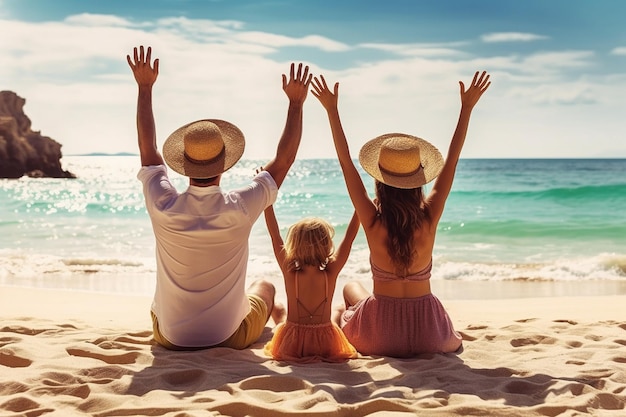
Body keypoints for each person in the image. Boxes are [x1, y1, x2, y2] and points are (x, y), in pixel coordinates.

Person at [127, 45, 312, 350]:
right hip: (228, 337)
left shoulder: (162, 203)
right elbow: (284, 160)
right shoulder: (240, 206)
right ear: (223, 164)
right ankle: (277, 318)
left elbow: (147, 148)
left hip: (169, 339)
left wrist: (144, 87)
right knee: (264, 286)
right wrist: (295, 104)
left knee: (158, 303)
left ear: (183, 164)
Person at [311, 71, 491, 357]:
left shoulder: (372, 221)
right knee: (357, 295)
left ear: (379, 181)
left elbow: (346, 163)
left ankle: (337, 327)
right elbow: (452, 160)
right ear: (418, 180)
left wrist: (332, 111)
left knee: (349, 291)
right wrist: (466, 108)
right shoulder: (429, 218)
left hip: (379, 335)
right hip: (429, 333)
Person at [262, 205, 359, 362]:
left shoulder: (290, 272)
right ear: (326, 244)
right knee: (338, 311)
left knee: (279, 311)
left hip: (293, 343)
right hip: (326, 343)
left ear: (294, 245)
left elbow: (274, 236)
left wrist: (267, 205)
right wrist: (359, 210)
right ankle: (337, 313)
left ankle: (278, 313)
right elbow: (349, 239)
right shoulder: (330, 273)